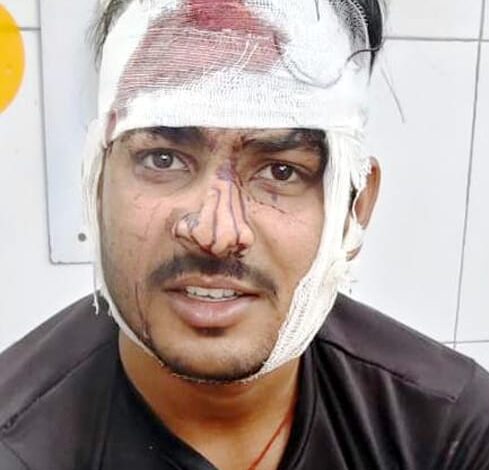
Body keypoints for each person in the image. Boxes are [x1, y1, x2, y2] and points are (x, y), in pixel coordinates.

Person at [1, 0, 488, 468]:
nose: (216, 233)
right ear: (96, 182)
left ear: (355, 208)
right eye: (163, 159)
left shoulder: (449, 433)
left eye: (281, 171)